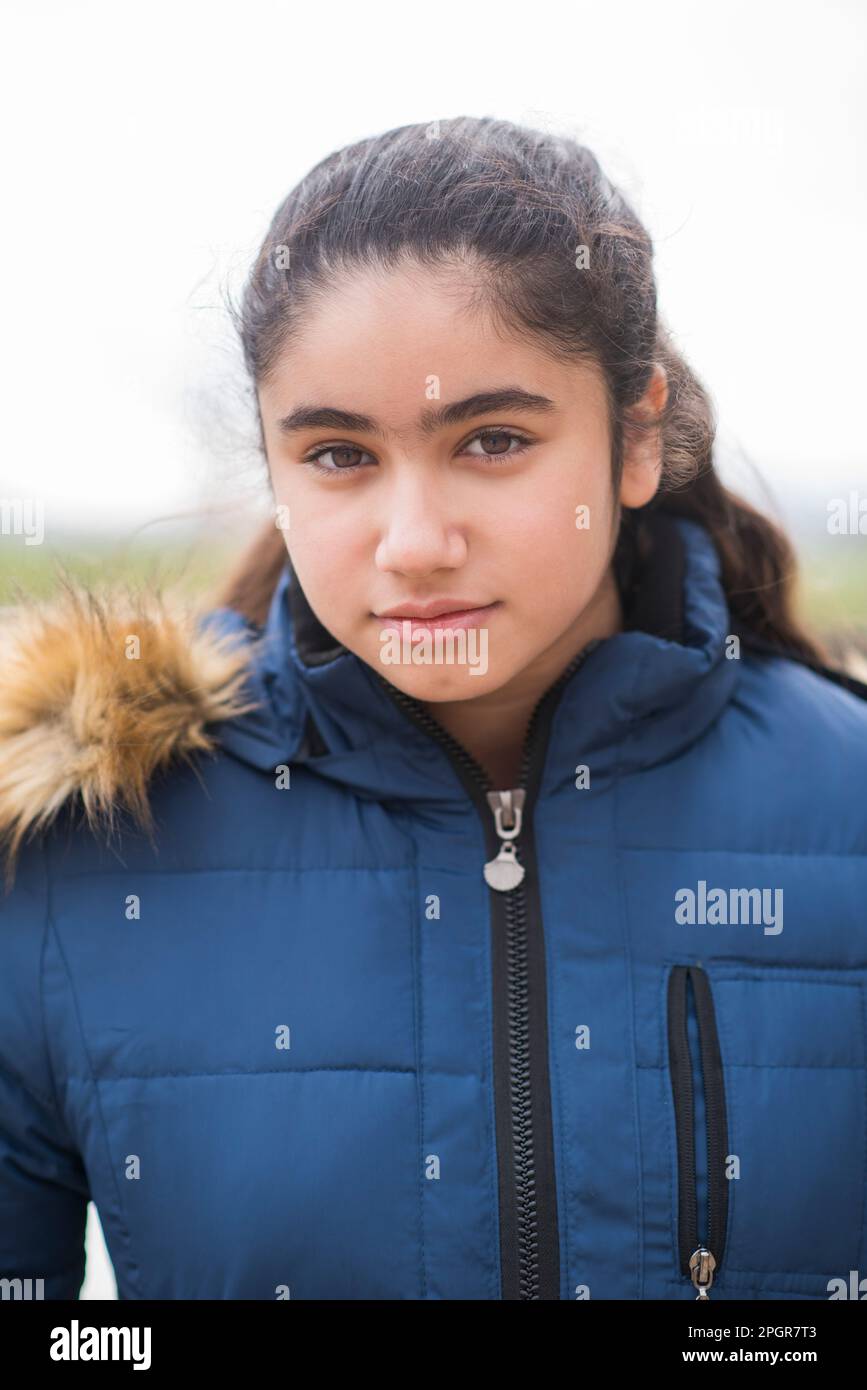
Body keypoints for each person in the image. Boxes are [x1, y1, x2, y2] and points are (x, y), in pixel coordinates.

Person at [1, 116, 866, 1303]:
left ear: (634, 435)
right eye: (340, 458)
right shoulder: (76, 843)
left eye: (494, 440)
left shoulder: (849, 807)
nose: (414, 544)